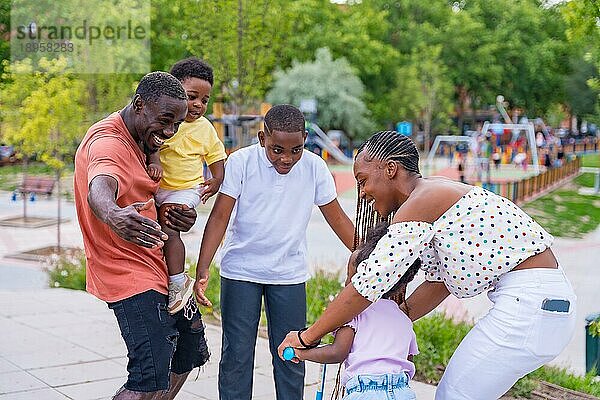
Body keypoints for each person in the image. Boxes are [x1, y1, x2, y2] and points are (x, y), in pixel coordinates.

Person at [279, 131, 577, 400]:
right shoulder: (434, 202)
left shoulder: (422, 201)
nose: (363, 193)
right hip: (543, 306)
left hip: (529, 306)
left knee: (454, 394)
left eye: (363, 181)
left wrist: (307, 336)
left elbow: (366, 285)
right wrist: (388, 320)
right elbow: (438, 283)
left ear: (391, 169)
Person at [194, 104, 355, 400]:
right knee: (237, 356)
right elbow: (219, 217)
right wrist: (203, 268)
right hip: (241, 272)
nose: (286, 158)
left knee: (292, 355)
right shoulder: (241, 162)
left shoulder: (314, 167)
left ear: (305, 139)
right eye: (277, 149)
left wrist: (368, 256)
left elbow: (338, 219)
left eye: (296, 150)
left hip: (288, 275)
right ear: (262, 138)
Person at [74, 72, 210, 400]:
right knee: (149, 373)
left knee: (191, 351)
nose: (169, 132)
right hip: (129, 274)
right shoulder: (109, 144)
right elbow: (100, 186)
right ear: (139, 106)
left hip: (159, 266)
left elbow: (148, 196)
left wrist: (177, 215)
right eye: (165, 121)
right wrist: (112, 215)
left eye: (177, 124)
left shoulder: (141, 138)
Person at [290, 221, 420, 400]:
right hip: (402, 391)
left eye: (351, 279)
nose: (346, 284)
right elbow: (407, 360)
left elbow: (338, 352)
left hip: (365, 392)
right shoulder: (403, 317)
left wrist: (300, 353)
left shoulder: (353, 313)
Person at [146, 58, 227, 316]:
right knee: (154, 230)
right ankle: (158, 275)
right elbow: (152, 143)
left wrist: (215, 180)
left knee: (170, 226)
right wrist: (156, 160)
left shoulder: (205, 129)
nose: (198, 105)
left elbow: (216, 158)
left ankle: (178, 282)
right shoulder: (165, 119)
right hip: (156, 188)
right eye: (192, 97)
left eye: (204, 100)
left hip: (186, 189)